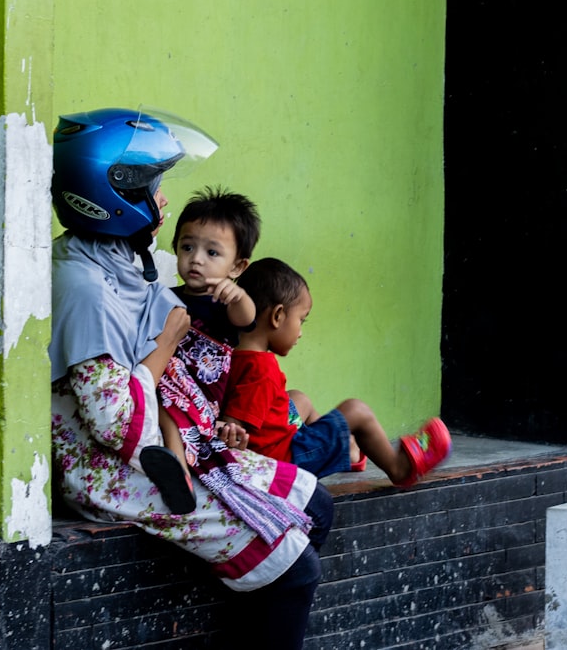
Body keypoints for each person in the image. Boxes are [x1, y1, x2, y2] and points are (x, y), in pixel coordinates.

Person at [48, 107, 332, 648]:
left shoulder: (126, 257)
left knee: (317, 506)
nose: (162, 200)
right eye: (154, 187)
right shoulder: (85, 288)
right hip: (112, 466)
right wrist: (166, 345)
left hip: (177, 438)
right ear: (113, 195)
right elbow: (112, 424)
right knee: (296, 569)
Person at [221, 257, 452, 486]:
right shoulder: (261, 369)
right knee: (356, 410)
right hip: (284, 462)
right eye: (301, 320)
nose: (300, 332)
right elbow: (234, 427)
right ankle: (399, 468)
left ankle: (347, 451)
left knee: (298, 398)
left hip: (275, 446)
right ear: (277, 316)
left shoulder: (234, 355)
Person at [153, 186, 262, 514]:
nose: (196, 259)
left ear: (238, 266)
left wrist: (237, 295)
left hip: (203, 402)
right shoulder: (165, 297)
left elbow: (248, 318)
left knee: (169, 404)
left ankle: (179, 471)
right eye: (188, 247)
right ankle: (176, 468)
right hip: (168, 391)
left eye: (212, 253)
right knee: (160, 398)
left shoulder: (226, 304)